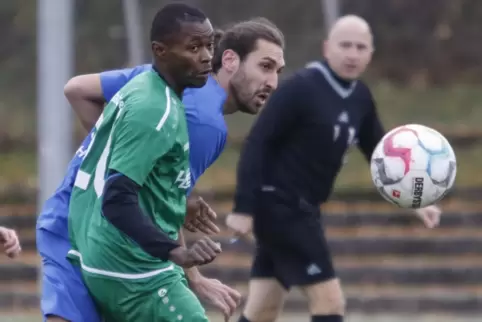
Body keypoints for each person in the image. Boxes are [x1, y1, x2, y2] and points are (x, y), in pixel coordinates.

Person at [36, 12, 285, 322]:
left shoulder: (158, 77)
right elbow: (160, 201)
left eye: (277, 71)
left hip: (68, 215)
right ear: (231, 60)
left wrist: (117, 158)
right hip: (99, 234)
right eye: (265, 67)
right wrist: (194, 277)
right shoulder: (205, 122)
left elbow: (77, 89)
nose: (273, 82)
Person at [226, 15, 442, 322]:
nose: (352, 54)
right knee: (330, 302)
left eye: (360, 47)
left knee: (263, 309)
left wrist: (417, 201)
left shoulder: (360, 98)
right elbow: (257, 143)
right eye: (345, 45)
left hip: (304, 209)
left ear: (370, 53)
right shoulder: (301, 88)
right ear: (327, 48)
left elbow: (382, 153)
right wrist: (243, 207)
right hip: (279, 206)